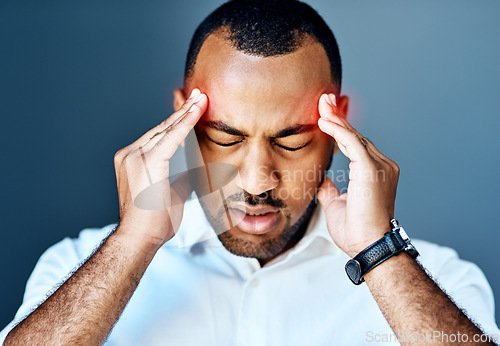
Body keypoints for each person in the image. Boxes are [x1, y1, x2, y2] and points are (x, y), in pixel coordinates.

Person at [2, 0, 499, 345]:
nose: (258, 181)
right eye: (225, 137)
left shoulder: (442, 284)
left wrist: (381, 254)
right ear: (182, 117)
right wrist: (134, 241)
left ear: (338, 124)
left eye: (292, 139)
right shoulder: (70, 268)